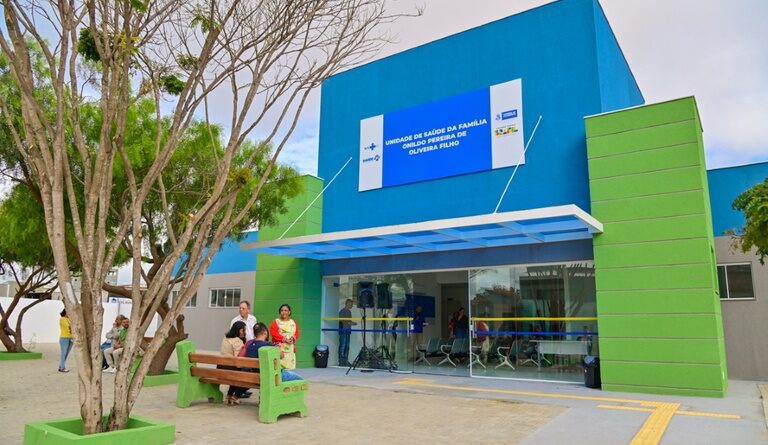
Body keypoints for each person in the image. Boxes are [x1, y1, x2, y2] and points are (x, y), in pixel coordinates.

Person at [220, 321, 248, 405]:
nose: (245, 332)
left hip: (221, 367)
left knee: (236, 371)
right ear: (239, 330)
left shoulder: (225, 338)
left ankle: (229, 396)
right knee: (245, 372)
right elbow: (237, 359)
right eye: (243, 330)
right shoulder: (237, 341)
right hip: (231, 369)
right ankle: (234, 396)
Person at [269, 304, 299, 370]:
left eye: (285, 310)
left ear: (289, 312)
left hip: (290, 349)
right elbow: (273, 333)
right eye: (282, 310)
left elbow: (297, 332)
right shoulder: (276, 322)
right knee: (278, 368)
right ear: (280, 312)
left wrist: (292, 338)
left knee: (289, 368)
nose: (283, 312)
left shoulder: (293, 322)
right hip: (279, 349)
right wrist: (285, 339)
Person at [338, 299, 356, 366]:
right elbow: (342, 320)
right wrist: (350, 323)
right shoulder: (342, 311)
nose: (351, 306)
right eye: (350, 304)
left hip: (348, 331)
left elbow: (348, 321)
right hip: (343, 330)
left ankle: (345, 361)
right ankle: (341, 361)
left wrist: (351, 323)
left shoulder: (349, 312)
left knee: (347, 346)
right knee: (343, 345)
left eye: (352, 305)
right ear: (347, 303)